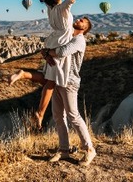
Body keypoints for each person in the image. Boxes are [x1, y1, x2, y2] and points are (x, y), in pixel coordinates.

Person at [9, 0, 81, 130]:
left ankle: (25, 75)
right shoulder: (62, 8)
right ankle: (40, 113)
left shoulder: (50, 8)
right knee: (51, 82)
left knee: (49, 79)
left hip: (52, 42)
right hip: (61, 44)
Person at [44, 16, 96, 166]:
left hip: (70, 82)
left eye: (83, 21)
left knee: (73, 115)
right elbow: (52, 47)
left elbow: (62, 52)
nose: (79, 19)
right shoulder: (67, 37)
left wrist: (48, 52)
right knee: (58, 116)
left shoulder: (79, 40)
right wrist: (48, 51)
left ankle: (89, 149)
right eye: (80, 18)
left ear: (84, 28)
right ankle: (64, 150)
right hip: (58, 80)